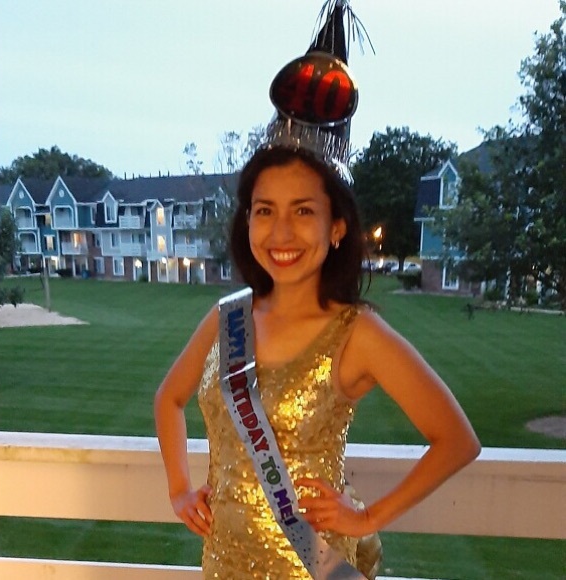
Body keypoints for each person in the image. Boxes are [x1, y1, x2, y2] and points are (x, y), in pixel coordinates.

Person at [154, 2, 481, 578]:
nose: (280, 233)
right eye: (264, 210)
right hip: (224, 562)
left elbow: (457, 440)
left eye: (303, 211)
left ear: (336, 228)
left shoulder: (358, 334)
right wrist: (181, 488)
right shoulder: (226, 318)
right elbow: (169, 399)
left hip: (313, 564)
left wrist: (367, 517)